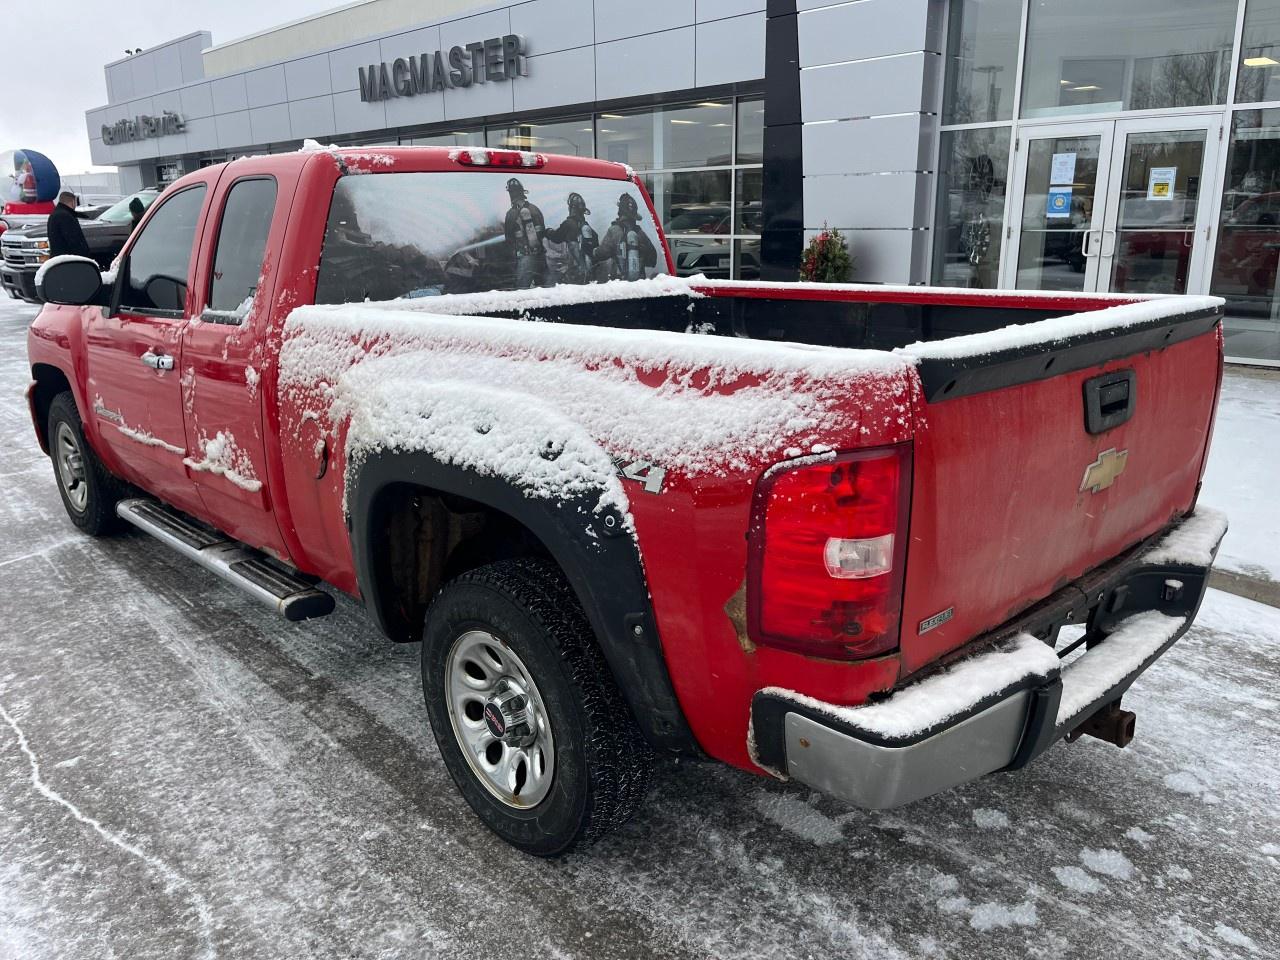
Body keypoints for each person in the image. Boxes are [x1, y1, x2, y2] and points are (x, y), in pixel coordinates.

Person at [593, 193, 657, 282]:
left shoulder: (614, 230)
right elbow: (653, 260)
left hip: (620, 285)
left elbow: (603, 254)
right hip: (639, 285)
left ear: (620, 211)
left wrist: (594, 252)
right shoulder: (641, 233)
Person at [544, 192, 598, 284]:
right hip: (588, 270)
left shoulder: (568, 223)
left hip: (574, 269)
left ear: (572, 208)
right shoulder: (587, 227)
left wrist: (547, 232)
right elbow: (595, 244)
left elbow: (556, 238)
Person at [502, 177, 546, 288]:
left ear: (511, 194)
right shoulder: (535, 209)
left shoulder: (511, 214)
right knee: (546, 289)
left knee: (521, 292)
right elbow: (543, 232)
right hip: (540, 256)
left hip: (525, 257)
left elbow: (509, 240)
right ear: (522, 192)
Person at [47, 190, 92, 259]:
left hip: (57, 258)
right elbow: (74, 240)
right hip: (68, 259)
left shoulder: (55, 214)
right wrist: (84, 256)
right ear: (73, 202)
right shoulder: (66, 216)